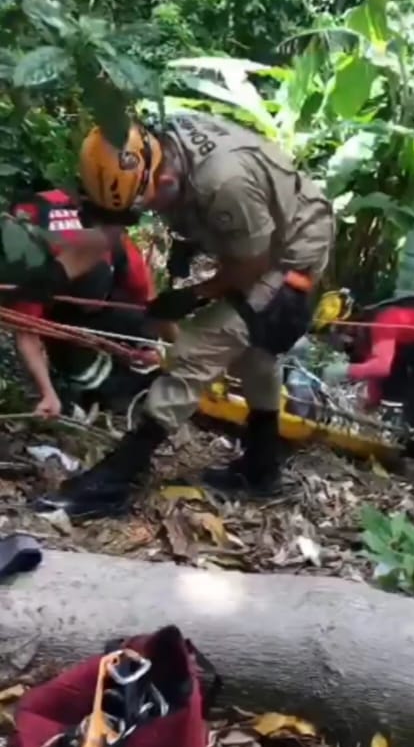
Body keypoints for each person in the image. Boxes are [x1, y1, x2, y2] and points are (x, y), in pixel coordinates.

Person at [33, 115, 334, 518]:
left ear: (168, 182)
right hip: (255, 222)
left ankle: (117, 480)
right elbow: (107, 230)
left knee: (199, 347)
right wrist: (42, 280)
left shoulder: (223, 182)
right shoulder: (142, 147)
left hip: (291, 244)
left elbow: (251, 264)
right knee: (253, 355)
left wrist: (194, 295)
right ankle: (262, 468)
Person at [6, 188, 158, 418]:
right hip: (57, 308)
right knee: (87, 377)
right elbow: (27, 333)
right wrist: (47, 393)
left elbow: (149, 300)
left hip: (97, 293)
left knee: (140, 324)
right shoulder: (35, 272)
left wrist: (153, 346)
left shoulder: (118, 250)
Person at [316, 288, 414, 459]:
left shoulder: (383, 322)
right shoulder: (362, 335)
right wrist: (373, 401)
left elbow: (381, 366)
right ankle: (397, 440)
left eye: (331, 335)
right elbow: (377, 369)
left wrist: (344, 371)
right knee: (392, 392)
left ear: (343, 326)